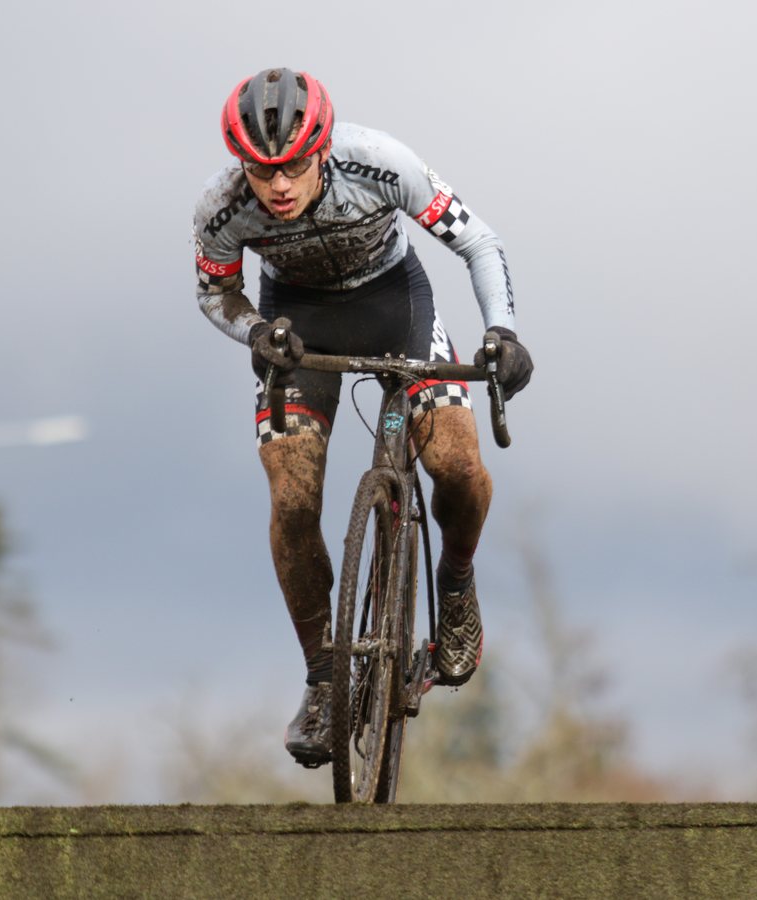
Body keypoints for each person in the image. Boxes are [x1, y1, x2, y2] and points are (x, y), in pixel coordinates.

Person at [192, 68, 533, 767]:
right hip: (300, 326)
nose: (278, 185)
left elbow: (479, 242)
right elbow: (215, 295)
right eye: (262, 171)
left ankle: (457, 588)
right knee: (290, 500)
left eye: (291, 165)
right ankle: (324, 681)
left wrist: (502, 332)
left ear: (321, 148)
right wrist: (257, 333)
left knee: (457, 467)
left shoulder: (378, 162)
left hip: (394, 307)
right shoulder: (221, 211)